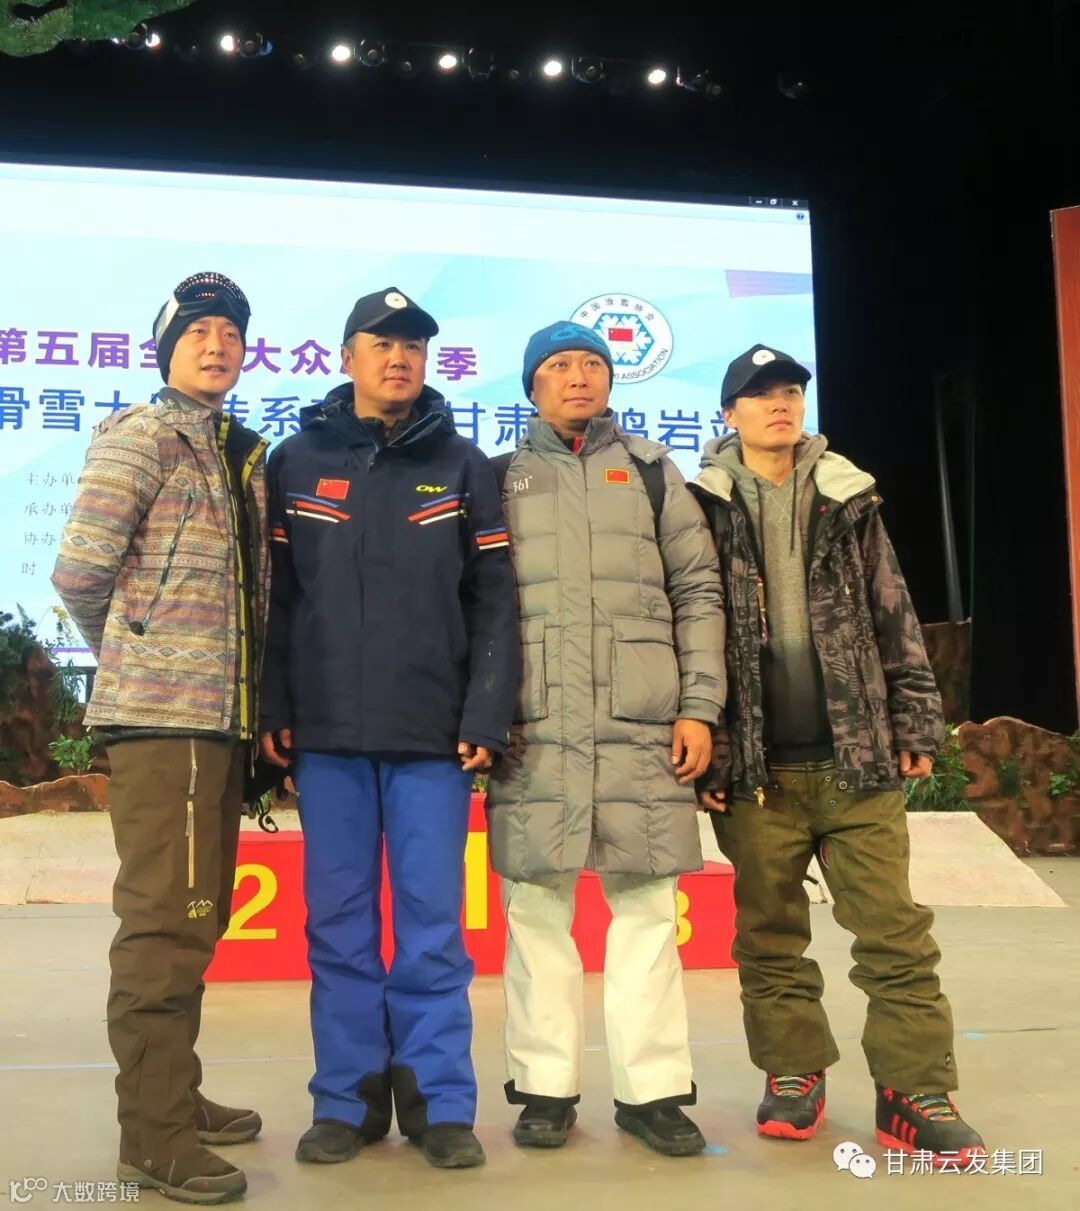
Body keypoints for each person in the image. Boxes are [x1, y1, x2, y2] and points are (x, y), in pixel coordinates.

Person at [689, 344, 985, 1164]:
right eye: (760, 394)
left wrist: (915, 722)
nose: (780, 404)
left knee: (895, 933)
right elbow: (688, 630)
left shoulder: (849, 495)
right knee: (769, 935)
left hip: (856, 759)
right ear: (729, 415)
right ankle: (793, 1073)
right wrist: (711, 746)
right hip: (757, 769)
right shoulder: (698, 505)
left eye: (790, 390)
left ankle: (914, 1089)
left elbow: (895, 610)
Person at [259, 287, 519, 1170]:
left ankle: (440, 1103)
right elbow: (275, 600)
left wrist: (485, 712)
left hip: (431, 738)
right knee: (337, 927)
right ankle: (348, 1100)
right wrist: (274, 709)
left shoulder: (463, 465)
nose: (400, 357)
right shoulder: (295, 461)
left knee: (433, 927)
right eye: (382, 343)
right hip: (326, 735)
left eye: (413, 345)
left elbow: (494, 601)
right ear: (347, 358)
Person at [52, 272, 269, 1205]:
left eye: (231, 333)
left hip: (216, 723)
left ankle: (172, 1092)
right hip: (164, 721)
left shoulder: (228, 449)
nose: (217, 345)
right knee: (163, 926)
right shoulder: (141, 436)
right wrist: (140, 653)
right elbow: (78, 573)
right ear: (165, 346)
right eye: (198, 331)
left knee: (197, 915)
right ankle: (154, 1134)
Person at [486, 321, 726, 1156]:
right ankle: (544, 1087)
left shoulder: (656, 472)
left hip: (642, 725)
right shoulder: (500, 477)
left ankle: (652, 1092)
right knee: (536, 909)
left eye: (592, 363)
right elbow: (478, 606)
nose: (578, 376)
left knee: (648, 909)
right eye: (559, 365)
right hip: (537, 724)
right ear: (532, 386)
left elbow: (699, 590)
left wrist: (699, 705)